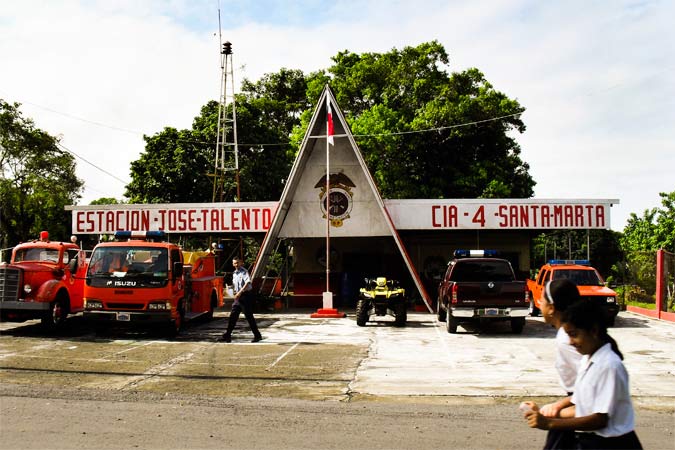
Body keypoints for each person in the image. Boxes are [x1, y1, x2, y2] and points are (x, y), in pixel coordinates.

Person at [523, 301, 642, 450]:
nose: (571, 342)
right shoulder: (588, 359)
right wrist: (544, 412)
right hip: (590, 440)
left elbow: (599, 419)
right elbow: (581, 401)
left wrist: (550, 423)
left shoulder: (609, 365)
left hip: (612, 444)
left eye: (574, 335)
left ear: (593, 331)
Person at [538, 279, 583, 450]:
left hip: (580, 406)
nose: (539, 304)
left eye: (542, 300)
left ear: (551, 308)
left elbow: (590, 383)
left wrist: (558, 410)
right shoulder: (568, 334)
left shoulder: (567, 339)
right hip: (573, 401)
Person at [221, 256, 262, 343]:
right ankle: (227, 335)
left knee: (249, 316)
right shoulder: (234, 273)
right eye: (235, 263)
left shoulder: (244, 271)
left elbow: (247, 283)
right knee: (233, 316)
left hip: (245, 296)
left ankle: (257, 335)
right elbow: (236, 285)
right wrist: (230, 289)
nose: (236, 265)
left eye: (238, 263)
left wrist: (240, 292)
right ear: (233, 264)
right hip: (238, 298)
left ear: (241, 263)